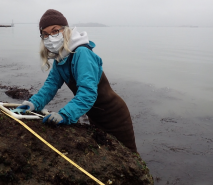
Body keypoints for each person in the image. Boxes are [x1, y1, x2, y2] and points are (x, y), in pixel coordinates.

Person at [17, 9, 137, 153]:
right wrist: (34, 103)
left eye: (55, 31)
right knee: (106, 152)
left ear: (65, 30)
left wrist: (65, 114)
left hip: (114, 116)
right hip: (93, 113)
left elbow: (88, 93)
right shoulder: (60, 57)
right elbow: (51, 85)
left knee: (128, 153)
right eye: (46, 34)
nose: (50, 37)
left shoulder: (82, 53)